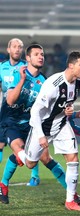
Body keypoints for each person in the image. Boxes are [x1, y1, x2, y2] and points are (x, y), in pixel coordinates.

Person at [14, 51, 80, 211]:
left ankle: (70, 201)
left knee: (73, 159)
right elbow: (35, 112)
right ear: (71, 65)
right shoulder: (53, 84)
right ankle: (19, 152)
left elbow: (66, 102)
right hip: (42, 126)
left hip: (61, 125)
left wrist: (69, 109)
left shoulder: (79, 83)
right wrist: (40, 136)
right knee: (30, 164)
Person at [0, 38, 40, 187]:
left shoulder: (26, 67)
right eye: (14, 47)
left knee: (29, 145)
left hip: (24, 112)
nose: (17, 49)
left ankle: (34, 176)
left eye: (20, 47)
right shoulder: (1, 67)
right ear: (8, 49)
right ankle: (4, 180)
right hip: (6, 111)